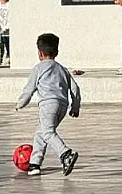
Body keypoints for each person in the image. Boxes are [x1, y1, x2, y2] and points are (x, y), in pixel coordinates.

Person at [15, 33, 81, 177]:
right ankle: (35, 164)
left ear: (40, 53)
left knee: (48, 132)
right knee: (41, 133)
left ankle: (65, 153)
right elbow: (75, 88)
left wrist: (20, 104)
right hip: (62, 105)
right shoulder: (62, 69)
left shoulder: (38, 68)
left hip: (48, 104)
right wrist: (75, 107)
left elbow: (29, 89)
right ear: (56, 52)